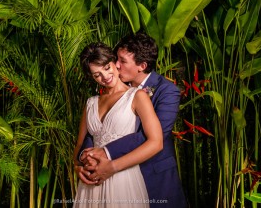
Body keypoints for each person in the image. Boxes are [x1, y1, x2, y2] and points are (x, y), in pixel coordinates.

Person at [77, 32, 187, 207]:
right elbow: (97, 129)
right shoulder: (111, 87)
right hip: (106, 177)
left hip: (152, 174)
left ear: (141, 66)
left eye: (122, 61)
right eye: (116, 59)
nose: (117, 65)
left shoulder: (167, 91)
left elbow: (149, 136)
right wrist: (85, 155)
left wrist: (106, 152)